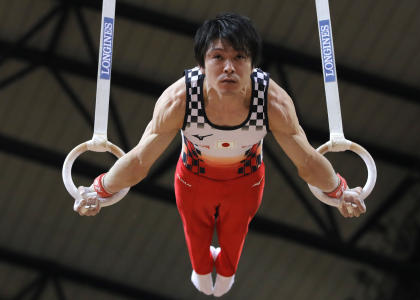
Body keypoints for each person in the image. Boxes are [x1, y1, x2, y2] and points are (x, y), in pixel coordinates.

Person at [75, 12, 366, 297]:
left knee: (228, 264)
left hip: (246, 184)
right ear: (202, 64)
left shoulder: (272, 102)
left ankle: (223, 276)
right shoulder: (179, 100)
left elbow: (307, 162)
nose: (229, 67)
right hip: (192, 182)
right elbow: (139, 161)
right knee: (201, 265)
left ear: (252, 64)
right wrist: (98, 189)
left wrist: (340, 191)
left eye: (239, 57)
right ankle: (201, 272)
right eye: (218, 57)